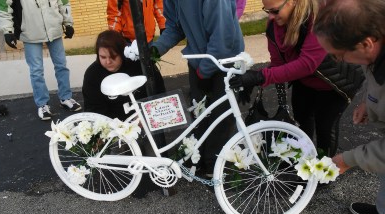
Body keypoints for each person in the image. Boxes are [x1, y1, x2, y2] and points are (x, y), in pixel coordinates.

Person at [229, 0, 349, 157]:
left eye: (275, 11)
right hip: (305, 80)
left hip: (334, 82)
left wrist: (260, 76)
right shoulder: (274, 25)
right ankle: (303, 161)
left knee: (325, 127)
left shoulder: (321, 19)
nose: (271, 17)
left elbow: (307, 64)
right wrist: (254, 80)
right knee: (302, 121)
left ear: (293, 2)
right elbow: (278, 63)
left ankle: (324, 170)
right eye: (267, 11)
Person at [151, 0, 244, 176]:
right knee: (200, 115)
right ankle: (201, 161)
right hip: (199, 61)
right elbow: (175, 27)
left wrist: (204, 72)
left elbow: (222, 37)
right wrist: (155, 50)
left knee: (221, 118)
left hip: (225, 61)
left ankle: (216, 169)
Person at [313, 0, 385, 214]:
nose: (337, 61)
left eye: (338, 55)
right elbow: (372, 74)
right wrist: (368, 100)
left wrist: (347, 159)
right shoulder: (375, 46)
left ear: (366, 44)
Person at [0, 0, 81, 121]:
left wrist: (68, 22)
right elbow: (1, 5)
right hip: (29, 31)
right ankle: (42, 104)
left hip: (54, 28)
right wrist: (7, 31)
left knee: (61, 65)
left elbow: (63, 1)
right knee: (36, 71)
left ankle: (66, 98)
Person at [82, 30, 164, 119]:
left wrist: (146, 115)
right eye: (103, 57)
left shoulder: (139, 64)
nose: (108, 61)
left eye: (113, 56)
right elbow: (93, 109)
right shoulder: (93, 74)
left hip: (147, 116)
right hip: (113, 126)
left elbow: (159, 91)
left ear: (122, 52)